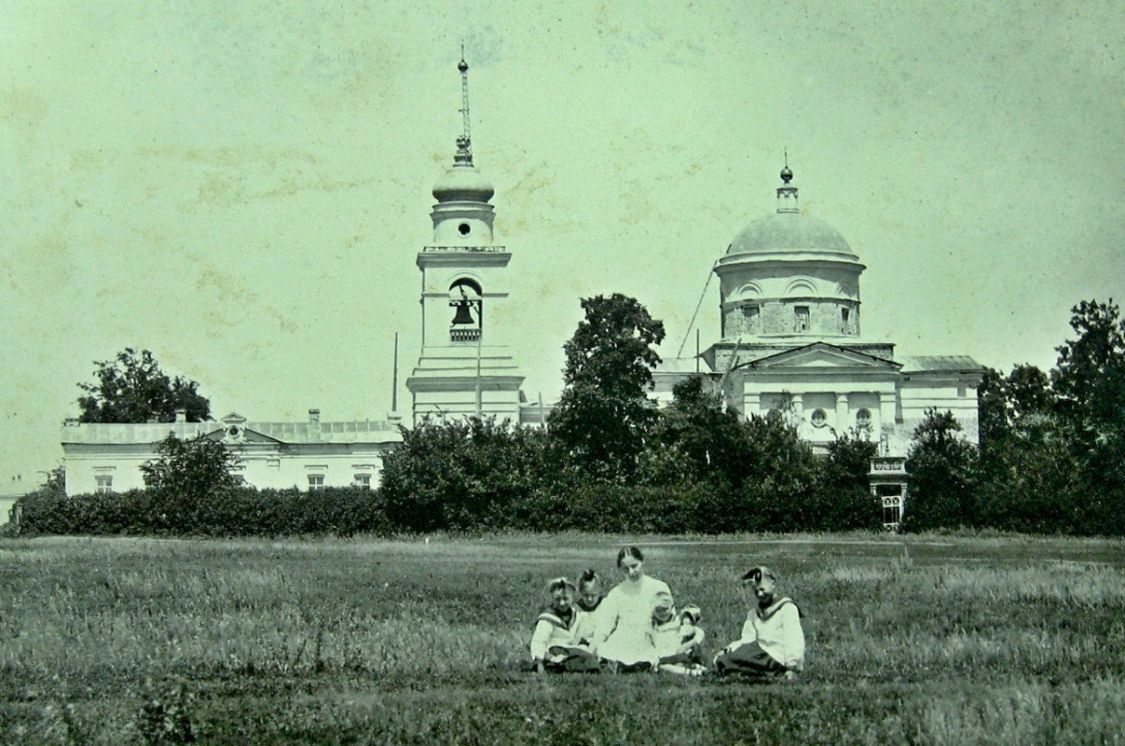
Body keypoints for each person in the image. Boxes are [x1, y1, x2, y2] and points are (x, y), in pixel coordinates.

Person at [713, 565, 805, 679]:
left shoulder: (787, 607)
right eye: (756, 591)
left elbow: (794, 638)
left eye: (762, 589)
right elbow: (746, 640)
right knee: (724, 659)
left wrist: (792, 667)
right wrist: (727, 650)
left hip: (777, 657)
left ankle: (766, 673)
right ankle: (747, 673)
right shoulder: (753, 614)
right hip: (758, 655)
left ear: (773, 584)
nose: (760, 594)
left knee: (732, 661)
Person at [592, 546, 670, 672]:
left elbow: (668, 619)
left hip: (651, 635)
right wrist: (594, 646)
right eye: (626, 569)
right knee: (609, 650)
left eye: (634, 566)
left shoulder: (659, 587)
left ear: (642, 561)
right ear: (620, 569)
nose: (631, 572)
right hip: (624, 636)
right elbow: (605, 624)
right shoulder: (616, 592)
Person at [529, 577, 602, 673]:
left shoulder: (577, 615)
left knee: (590, 655)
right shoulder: (548, 618)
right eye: (557, 599)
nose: (562, 603)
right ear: (552, 599)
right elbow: (538, 643)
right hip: (555, 650)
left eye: (566, 599)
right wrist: (547, 658)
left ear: (572, 599)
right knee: (583, 660)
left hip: (573, 650)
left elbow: (587, 634)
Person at [651, 595, 706, 675]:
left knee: (661, 665)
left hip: (681, 653)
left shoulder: (696, 631)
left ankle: (693, 672)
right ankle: (696, 668)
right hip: (677, 654)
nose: (686, 620)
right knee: (675, 664)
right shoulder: (679, 625)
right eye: (685, 617)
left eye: (689, 618)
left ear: (694, 621)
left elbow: (680, 650)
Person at [573, 569, 605, 648]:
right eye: (586, 595)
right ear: (580, 592)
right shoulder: (576, 609)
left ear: (600, 592)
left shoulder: (605, 606)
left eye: (593, 595)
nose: (589, 599)